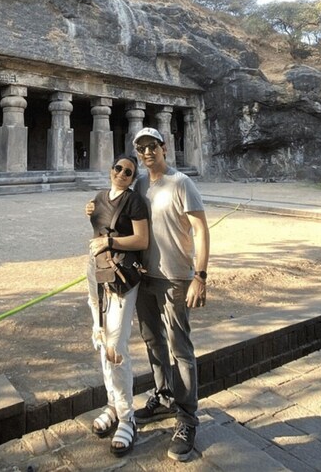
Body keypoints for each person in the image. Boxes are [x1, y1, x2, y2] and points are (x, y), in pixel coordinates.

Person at [130, 126, 210, 463]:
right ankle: (163, 397)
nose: (147, 152)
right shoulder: (140, 184)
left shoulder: (181, 183)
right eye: (141, 148)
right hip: (145, 277)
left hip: (176, 278)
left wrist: (200, 277)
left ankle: (188, 419)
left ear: (164, 147)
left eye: (153, 146)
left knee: (180, 348)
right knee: (152, 341)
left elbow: (202, 229)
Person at [85, 154, 148, 456]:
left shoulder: (134, 201)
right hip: (97, 272)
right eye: (118, 168)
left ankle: (127, 417)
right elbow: (98, 228)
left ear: (133, 178)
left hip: (123, 276)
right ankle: (112, 405)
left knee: (117, 348)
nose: (122, 173)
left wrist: (111, 243)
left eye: (129, 172)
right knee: (101, 340)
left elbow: (141, 239)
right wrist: (91, 214)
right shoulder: (98, 197)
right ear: (110, 170)